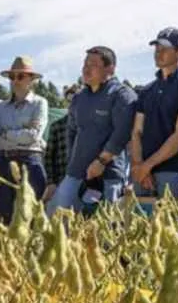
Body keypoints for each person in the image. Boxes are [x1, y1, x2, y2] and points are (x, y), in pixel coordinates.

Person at [45, 46, 136, 216]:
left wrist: (101, 161)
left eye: (93, 64)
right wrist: (73, 161)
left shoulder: (121, 95)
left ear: (110, 68)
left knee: (106, 227)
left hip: (108, 176)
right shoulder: (79, 98)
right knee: (56, 219)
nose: (86, 68)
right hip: (75, 174)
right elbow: (71, 132)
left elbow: (122, 133)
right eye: (85, 64)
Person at [129, 27, 178, 202]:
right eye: (156, 49)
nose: (158, 53)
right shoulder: (147, 91)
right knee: (141, 228)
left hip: (173, 172)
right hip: (143, 174)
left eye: (165, 49)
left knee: (175, 227)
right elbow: (137, 132)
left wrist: (146, 166)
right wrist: (139, 166)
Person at [0, 56, 49, 223]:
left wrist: (6, 134)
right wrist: (20, 136)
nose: (15, 80)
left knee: (30, 213)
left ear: (31, 80)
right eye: (12, 77)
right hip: (3, 161)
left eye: (21, 76)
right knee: (3, 213)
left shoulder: (40, 103)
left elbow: (33, 136)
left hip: (30, 161)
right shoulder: (1, 107)